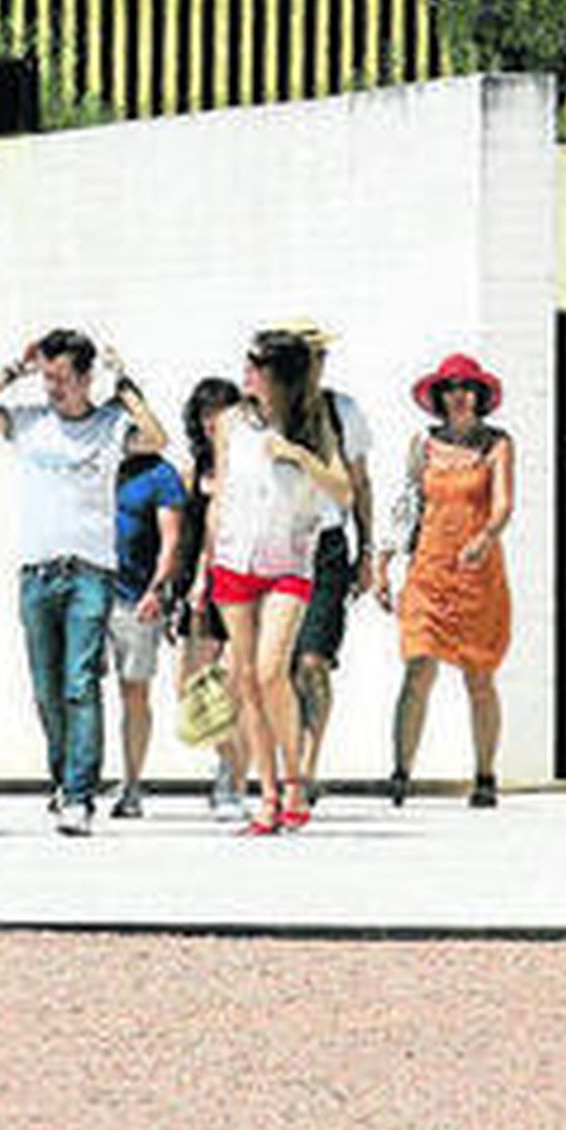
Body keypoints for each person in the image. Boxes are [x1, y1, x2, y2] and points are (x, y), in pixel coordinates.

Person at [0, 329, 170, 836]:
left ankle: (79, 795)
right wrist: (12, 371)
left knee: (80, 683)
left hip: (90, 571)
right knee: (47, 690)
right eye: (47, 377)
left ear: (86, 377)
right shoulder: (29, 423)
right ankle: (62, 779)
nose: (53, 387)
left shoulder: (112, 425)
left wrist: (125, 381)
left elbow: (156, 438)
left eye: (63, 377)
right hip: (36, 572)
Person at [210, 329, 351, 835]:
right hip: (233, 559)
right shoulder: (229, 422)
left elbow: (344, 491)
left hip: (290, 561)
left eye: (255, 367)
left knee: (272, 671)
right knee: (246, 678)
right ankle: (266, 797)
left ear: (280, 376)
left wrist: (299, 457)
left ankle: (294, 781)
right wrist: (205, 565)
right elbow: (220, 491)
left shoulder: (315, 423)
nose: (245, 374)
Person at [375, 352, 513, 808]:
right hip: (429, 568)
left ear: (480, 397)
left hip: (477, 571)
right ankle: (400, 773)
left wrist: (486, 537)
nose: (459, 396)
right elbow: (407, 503)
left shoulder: (496, 444)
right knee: (417, 666)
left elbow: (503, 504)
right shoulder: (424, 444)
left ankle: (485, 775)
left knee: (478, 675)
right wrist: (383, 561)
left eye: (467, 388)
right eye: (451, 388)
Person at [270, 320, 374, 808]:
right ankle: (281, 766)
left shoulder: (340, 410)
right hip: (272, 546)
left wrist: (368, 549)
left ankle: (307, 769)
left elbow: (360, 483)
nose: (316, 366)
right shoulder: (263, 412)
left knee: (313, 663)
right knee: (274, 667)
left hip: (326, 544)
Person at [168, 376, 248, 822]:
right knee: (189, 687)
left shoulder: (251, 464)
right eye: (204, 413)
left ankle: (230, 782)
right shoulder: (192, 470)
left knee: (235, 686)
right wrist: (172, 587)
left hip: (237, 580)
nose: (212, 421)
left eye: (220, 411)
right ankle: (226, 760)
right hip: (196, 587)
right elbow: (181, 535)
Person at [103, 447, 186, 818]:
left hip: (134, 597)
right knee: (76, 687)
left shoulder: (159, 473)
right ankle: (74, 781)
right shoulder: (91, 456)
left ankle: (132, 783)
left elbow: (172, 539)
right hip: (87, 589)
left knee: (133, 690)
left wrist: (157, 589)